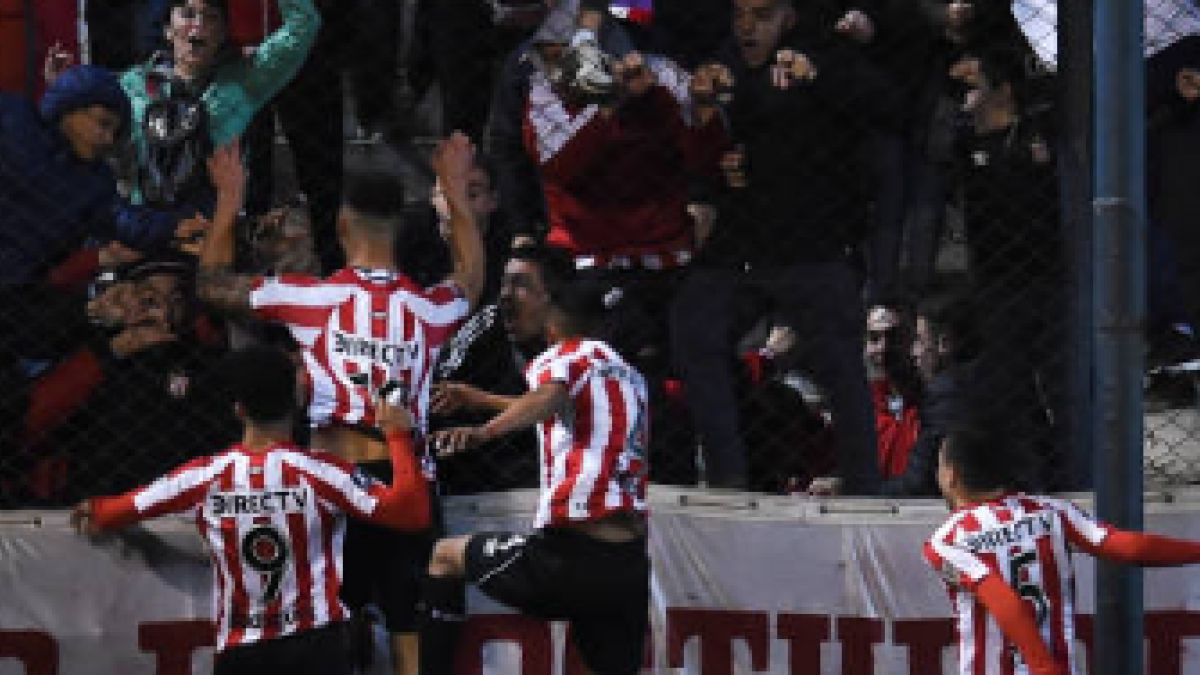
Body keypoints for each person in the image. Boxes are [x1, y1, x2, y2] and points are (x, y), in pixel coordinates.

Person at [197, 133, 485, 675]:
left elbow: (212, 285)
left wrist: (229, 200)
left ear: (341, 227)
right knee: (410, 628)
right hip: (407, 479)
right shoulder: (428, 309)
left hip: (337, 482)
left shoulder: (311, 297)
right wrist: (453, 188)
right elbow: (470, 279)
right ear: (400, 228)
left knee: (327, 624)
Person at [70, 345, 432, 675]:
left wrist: (97, 510)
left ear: (239, 409)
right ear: (297, 401)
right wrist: (398, 436)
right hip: (317, 643)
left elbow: (114, 511)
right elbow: (412, 513)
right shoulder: (322, 472)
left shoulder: (203, 476)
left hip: (243, 649)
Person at [671, 0, 899, 493]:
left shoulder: (823, 55)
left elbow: (886, 106)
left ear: (787, 18)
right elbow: (706, 145)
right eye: (739, 15)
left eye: (761, 16)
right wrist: (713, 132)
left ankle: (863, 487)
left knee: (841, 366)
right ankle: (728, 479)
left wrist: (818, 78)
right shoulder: (725, 64)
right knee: (695, 331)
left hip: (812, 243)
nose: (747, 27)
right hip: (741, 245)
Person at [417, 244, 650, 675]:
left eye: (521, 286)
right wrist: (480, 399)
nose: (508, 297)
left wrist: (481, 433)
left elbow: (549, 397)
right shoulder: (623, 373)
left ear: (553, 307)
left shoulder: (563, 356)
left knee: (444, 557)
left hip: (573, 556)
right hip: (629, 563)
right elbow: (564, 405)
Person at [925, 424, 1200, 675]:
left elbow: (1000, 597)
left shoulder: (947, 541)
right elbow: (1129, 547)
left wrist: (1042, 667)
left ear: (951, 475)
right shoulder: (1052, 512)